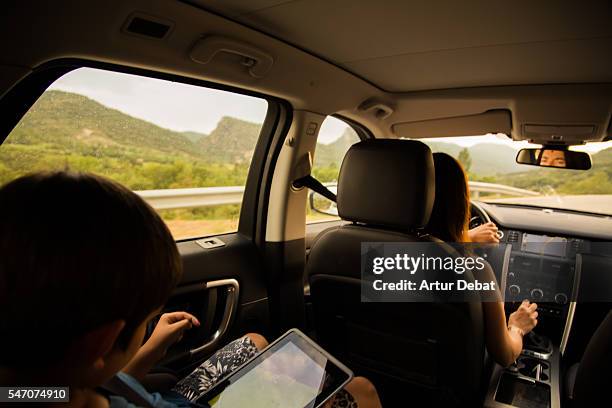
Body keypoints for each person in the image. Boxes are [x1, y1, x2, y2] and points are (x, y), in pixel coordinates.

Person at [0, 171, 381, 408]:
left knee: (255, 342)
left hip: (165, 396)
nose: (150, 327)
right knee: (361, 390)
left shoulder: (30, 388)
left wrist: (147, 351)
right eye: (146, 321)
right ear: (99, 345)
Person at [426, 153, 538, 366]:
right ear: (459, 204)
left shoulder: (369, 252)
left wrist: (466, 237)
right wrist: (516, 326)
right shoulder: (474, 271)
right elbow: (504, 355)